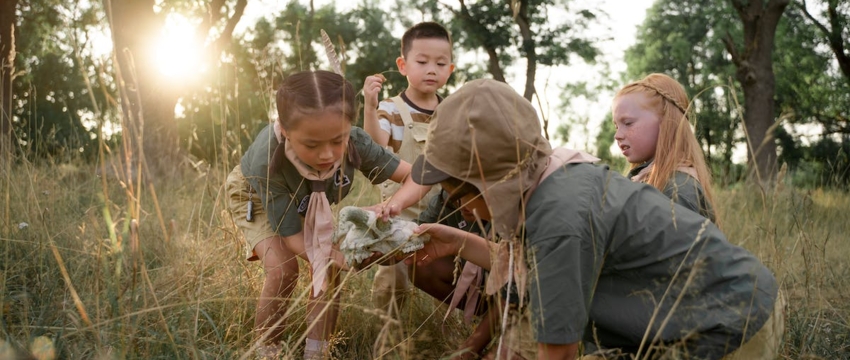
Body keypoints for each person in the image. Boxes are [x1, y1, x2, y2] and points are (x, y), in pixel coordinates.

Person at [399, 79, 783, 359]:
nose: (462, 208)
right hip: (718, 314)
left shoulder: (557, 218)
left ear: (495, 182)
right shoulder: (556, 180)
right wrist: (458, 241)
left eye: (462, 192)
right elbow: (538, 267)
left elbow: (559, 353)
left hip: (730, 327)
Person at [225, 70, 430, 359]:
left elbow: (416, 176)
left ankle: (318, 351)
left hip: (306, 199)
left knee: (328, 270)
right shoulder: (266, 160)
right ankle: (267, 351)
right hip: (256, 197)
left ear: (349, 127)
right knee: (283, 269)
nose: (327, 155)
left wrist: (391, 205)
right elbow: (291, 235)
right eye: (311, 145)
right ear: (284, 128)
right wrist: (338, 255)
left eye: (338, 141)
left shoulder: (355, 142)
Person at [361, 21, 455, 314]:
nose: (432, 69)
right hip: (399, 213)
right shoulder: (391, 109)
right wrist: (369, 105)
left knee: (451, 270)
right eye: (422, 61)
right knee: (394, 280)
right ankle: (386, 335)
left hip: (443, 213)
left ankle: (444, 329)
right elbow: (377, 147)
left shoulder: (451, 111)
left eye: (440, 63)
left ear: (450, 69)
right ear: (402, 65)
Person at [612, 73, 717, 222]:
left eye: (628, 123)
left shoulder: (678, 190)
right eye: (616, 126)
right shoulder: (645, 179)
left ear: (667, 122)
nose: (617, 135)